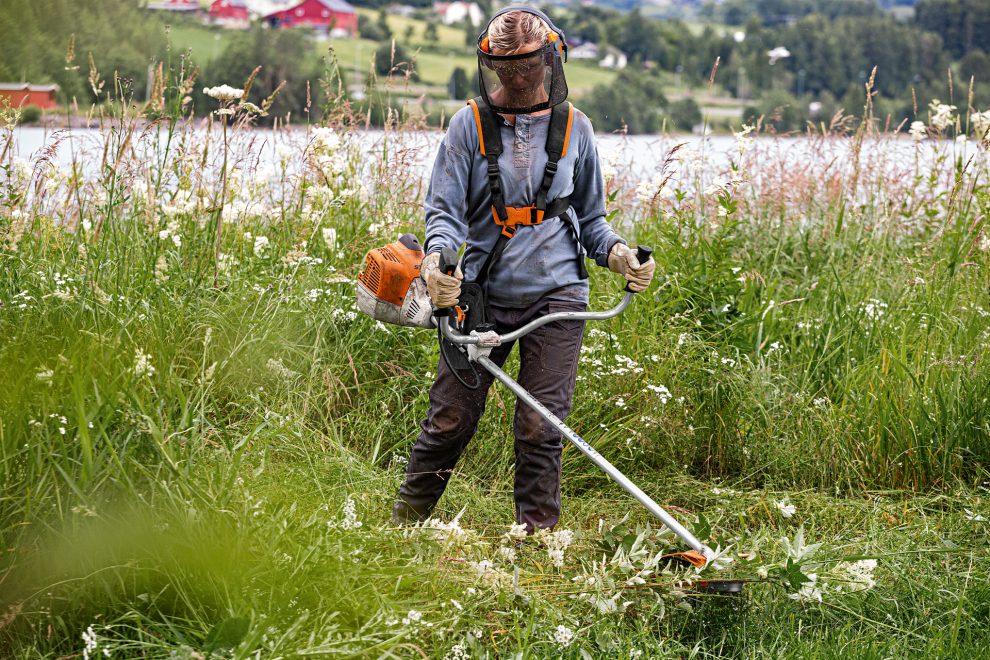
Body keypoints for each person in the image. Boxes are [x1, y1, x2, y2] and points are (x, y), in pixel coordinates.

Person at [392, 6, 655, 532]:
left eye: (525, 70)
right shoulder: (468, 125)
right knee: (449, 421)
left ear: (551, 61)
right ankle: (399, 529)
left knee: (540, 424)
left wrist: (621, 254)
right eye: (504, 72)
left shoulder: (576, 128)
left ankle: (536, 547)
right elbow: (443, 214)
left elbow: (593, 220)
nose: (514, 82)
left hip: (557, 295)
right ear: (490, 66)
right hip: (481, 293)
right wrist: (438, 262)